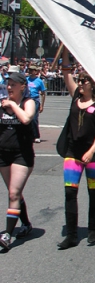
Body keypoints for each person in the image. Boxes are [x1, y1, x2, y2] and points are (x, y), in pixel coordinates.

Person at [58, 48, 95, 249]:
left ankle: (92, 230)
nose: (80, 83)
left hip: (94, 155)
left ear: (93, 83)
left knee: (93, 191)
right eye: (79, 80)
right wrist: (64, 51)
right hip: (73, 153)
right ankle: (71, 235)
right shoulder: (75, 98)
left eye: (84, 81)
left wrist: (90, 151)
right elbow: (65, 72)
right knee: (70, 193)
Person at [0, 72, 36, 249]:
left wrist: (13, 105)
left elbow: (26, 119)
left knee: (13, 193)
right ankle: (26, 224)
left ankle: (7, 234)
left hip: (22, 154)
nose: (9, 87)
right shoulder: (1, 104)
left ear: (22, 86)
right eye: (8, 84)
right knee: (15, 193)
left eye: (13, 84)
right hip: (3, 153)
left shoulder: (27, 102)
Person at [26, 64, 46, 143]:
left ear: (35, 71)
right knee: (26, 119)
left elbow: (43, 93)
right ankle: (28, 135)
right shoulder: (26, 79)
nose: (30, 72)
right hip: (27, 99)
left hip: (35, 100)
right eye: (29, 70)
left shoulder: (39, 81)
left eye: (32, 70)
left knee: (34, 119)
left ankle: (36, 135)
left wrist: (42, 105)